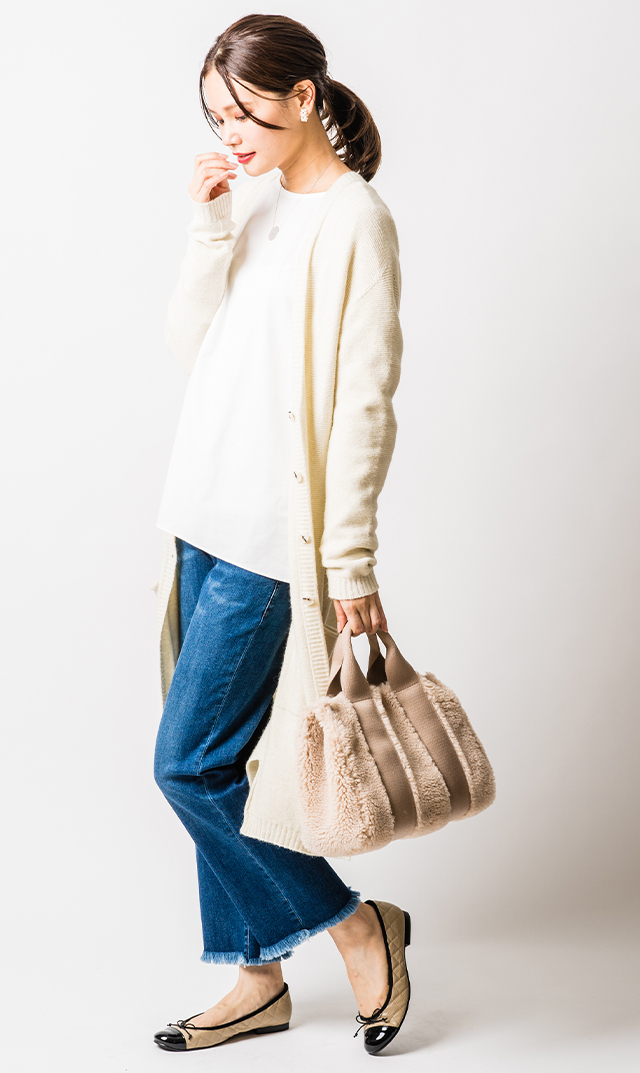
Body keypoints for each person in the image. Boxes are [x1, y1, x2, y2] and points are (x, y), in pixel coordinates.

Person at [152, 13, 409, 1058]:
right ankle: (256, 977)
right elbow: (192, 349)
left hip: (270, 539)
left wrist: (350, 562)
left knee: (188, 765)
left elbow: (366, 405)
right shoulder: (253, 203)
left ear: (303, 96)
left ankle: (358, 925)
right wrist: (210, 225)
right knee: (223, 763)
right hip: (197, 518)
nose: (231, 132)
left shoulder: (356, 221)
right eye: (216, 116)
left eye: (245, 110)